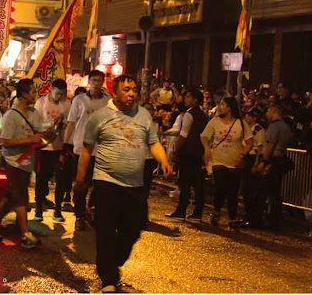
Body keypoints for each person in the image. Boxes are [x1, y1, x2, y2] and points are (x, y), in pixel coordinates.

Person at [75, 75, 172, 293]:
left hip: (135, 186)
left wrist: (163, 160)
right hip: (106, 183)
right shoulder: (100, 116)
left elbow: (153, 142)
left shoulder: (144, 115)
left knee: (133, 230)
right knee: (106, 232)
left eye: (134, 90)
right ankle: (108, 279)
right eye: (127, 90)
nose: (131, 94)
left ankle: (113, 260)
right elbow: (87, 150)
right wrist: (80, 179)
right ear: (115, 92)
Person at [0, 78, 44, 249]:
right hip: (13, 162)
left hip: (28, 162)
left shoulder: (34, 114)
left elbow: (39, 133)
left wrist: (42, 139)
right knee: (21, 198)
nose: (35, 95)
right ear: (24, 95)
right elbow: (5, 141)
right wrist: (29, 140)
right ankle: (25, 234)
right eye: (33, 91)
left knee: (12, 197)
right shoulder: (11, 115)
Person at [64, 69, 109, 230]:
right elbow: (71, 122)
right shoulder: (79, 100)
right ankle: (79, 215)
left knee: (100, 184)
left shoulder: (107, 102)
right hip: (81, 148)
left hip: (102, 149)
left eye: (99, 81)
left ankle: (93, 210)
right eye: (94, 81)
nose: (96, 84)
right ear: (89, 82)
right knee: (81, 183)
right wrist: (66, 143)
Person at [201, 97, 253, 229]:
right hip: (218, 160)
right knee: (220, 188)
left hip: (235, 162)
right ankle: (217, 211)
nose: (220, 107)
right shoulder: (215, 121)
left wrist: (242, 155)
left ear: (229, 107)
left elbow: (249, 142)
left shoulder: (241, 123)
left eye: (222, 105)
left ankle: (232, 217)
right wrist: (207, 148)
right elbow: (204, 136)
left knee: (232, 192)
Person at [166, 88, 208, 221]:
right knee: (197, 184)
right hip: (198, 151)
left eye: (189, 97)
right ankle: (197, 212)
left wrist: (176, 150)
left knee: (185, 183)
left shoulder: (189, 115)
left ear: (195, 100)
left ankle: (181, 210)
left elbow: (184, 135)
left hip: (188, 152)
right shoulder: (202, 115)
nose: (186, 99)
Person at [33, 79, 70, 222]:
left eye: (62, 94)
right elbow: (35, 124)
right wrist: (47, 127)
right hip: (43, 147)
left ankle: (58, 210)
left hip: (58, 147)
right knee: (41, 178)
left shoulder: (66, 105)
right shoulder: (41, 103)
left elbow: (67, 126)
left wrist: (64, 143)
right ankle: (38, 209)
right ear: (51, 89)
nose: (59, 96)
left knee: (60, 179)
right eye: (57, 93)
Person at [254, 102, 294, 231]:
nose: (266, 114)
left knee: (264, 191)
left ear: (273, 111)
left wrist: (263, 161)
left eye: (268, 111)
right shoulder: (286, 126)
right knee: (275, 193)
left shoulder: (274, 126)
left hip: (272, 161)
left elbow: (270, 145)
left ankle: (264, 220)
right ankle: (274, 221)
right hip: (280, 159)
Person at [241, 108, 266, 228]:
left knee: (252, 190)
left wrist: (256, 164)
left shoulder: (258, 130)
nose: (247, 117)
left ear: (255, 118)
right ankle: (247, 216)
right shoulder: (246, 129)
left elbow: (260, 148)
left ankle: (253, 219)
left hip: (252, 159)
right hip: (246, 158)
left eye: (249, 115)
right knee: (245, 190)